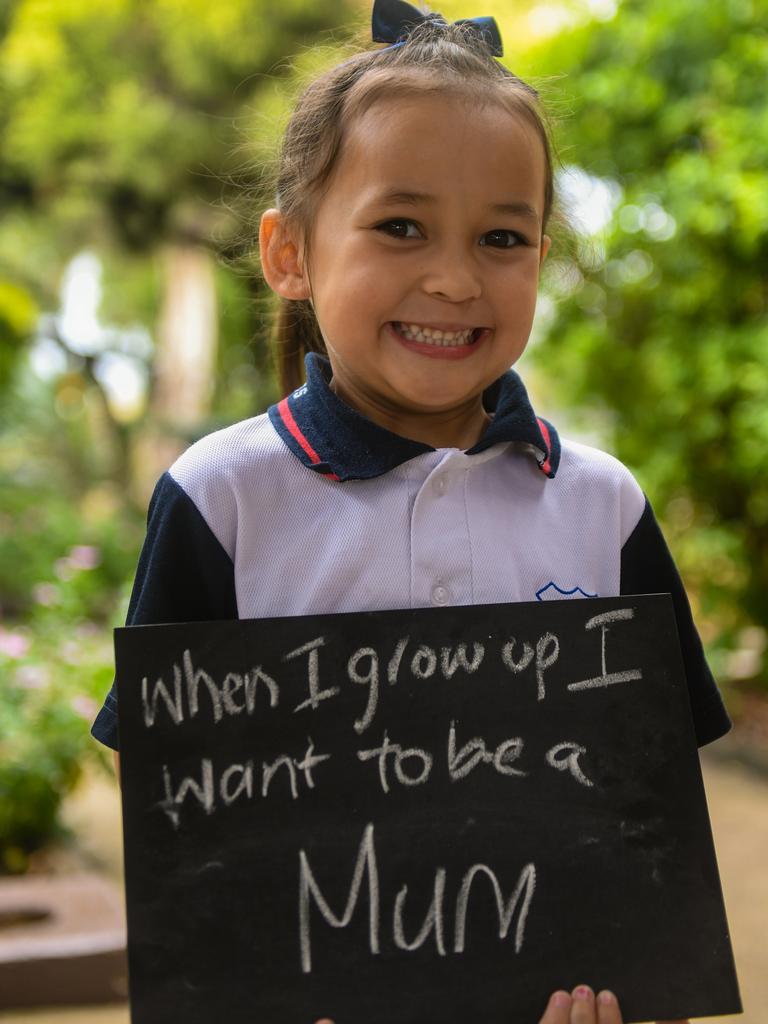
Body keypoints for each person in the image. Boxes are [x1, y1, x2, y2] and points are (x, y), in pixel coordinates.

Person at [92, 1, 730, 1021]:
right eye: (401, 226)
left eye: (502, 237)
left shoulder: (604, 506)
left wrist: (642, 989)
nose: (453, 277)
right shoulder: (223, 499)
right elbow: (181, 823)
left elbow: (649, 823)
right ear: (289, 252)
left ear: (542, 257)